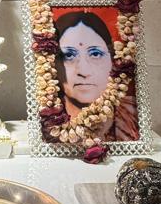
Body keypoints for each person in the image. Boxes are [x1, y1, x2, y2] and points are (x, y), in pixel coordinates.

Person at [54, 10, 138, 143]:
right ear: (53, 64)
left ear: (113, 61)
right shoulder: (48, 122)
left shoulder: (131, 116)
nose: (83, 71)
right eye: (69, 55)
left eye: (95, 54)